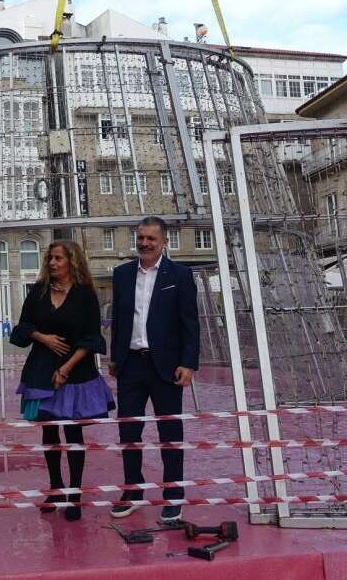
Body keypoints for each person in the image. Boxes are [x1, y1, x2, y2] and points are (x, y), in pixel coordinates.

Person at [10, 241, 114, 521]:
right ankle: (56, 487)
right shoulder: (39, 292)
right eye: (50, 259)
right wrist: (42, 337)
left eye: (58, 258)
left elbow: (92, 337)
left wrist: (66, 368)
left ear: (72, 261)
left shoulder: (85, 295)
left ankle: (75, 493)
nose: (53, 263)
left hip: (76, 371)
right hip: (41, 370)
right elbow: (22, 327)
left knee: (73, 433)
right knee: (49, 432)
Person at [109, 217, 199, 522]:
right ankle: (132, 491)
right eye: (141, 237)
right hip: (130, 365)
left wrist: (188, 363)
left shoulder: (181, 275)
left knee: (170, 433)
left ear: (164, 242)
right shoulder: (121, 275)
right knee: (129, 432)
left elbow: (190, 323)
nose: (145, 243)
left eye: (151, 238)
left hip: (167, 367)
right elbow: (118, 320)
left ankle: (173, 495)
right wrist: (114, 358)